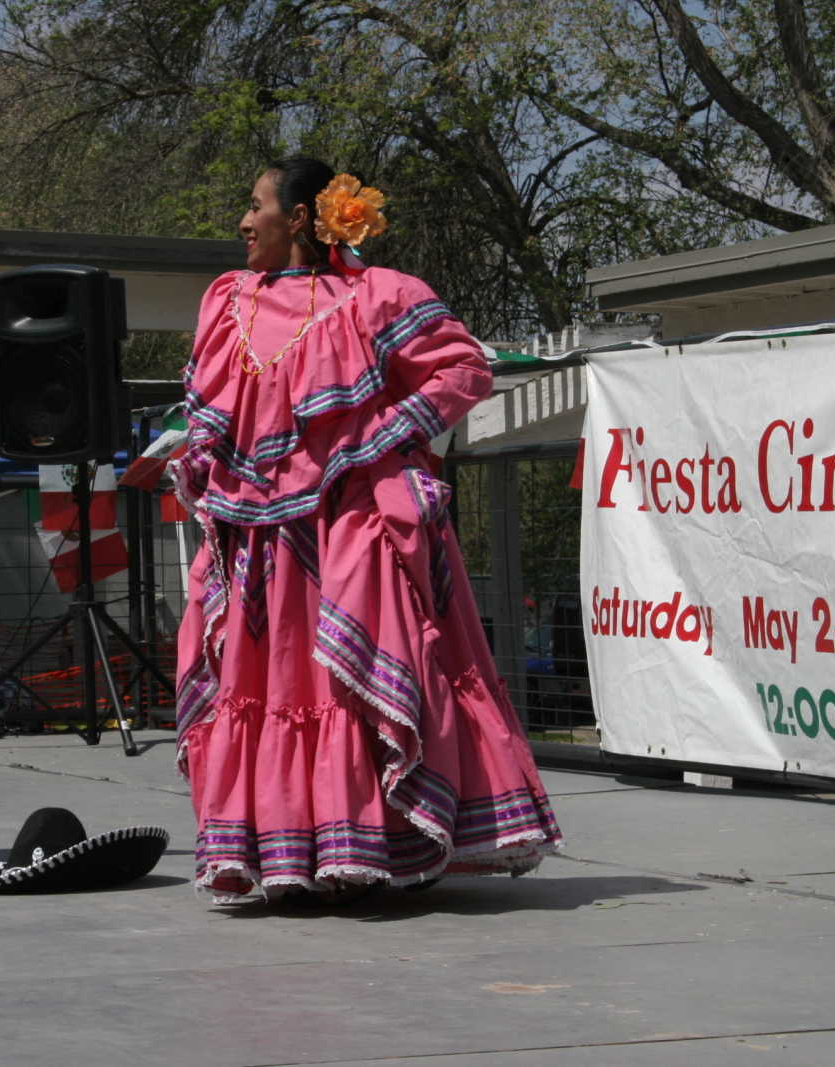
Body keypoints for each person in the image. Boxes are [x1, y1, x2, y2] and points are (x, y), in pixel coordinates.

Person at [171, 158, 563, 904]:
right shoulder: (228, 300)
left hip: (350, 523)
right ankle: (290, 854)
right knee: (271, 681)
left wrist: (373, 441)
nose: (245, 222)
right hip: (258, 538)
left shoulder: (377, 295)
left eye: (256, 206)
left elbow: (464, 370)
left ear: (299, 218)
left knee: (354, 673)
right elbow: (214, 412)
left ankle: (372, 845)